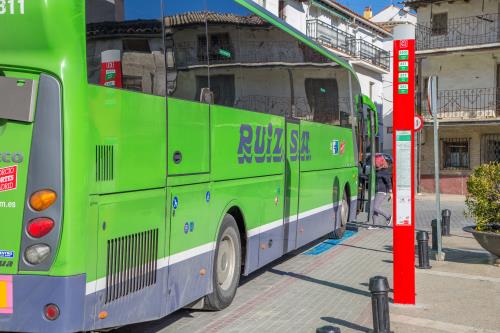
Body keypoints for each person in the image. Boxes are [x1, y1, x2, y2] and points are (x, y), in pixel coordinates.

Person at [368, 155, 392, 229]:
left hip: (381, 191)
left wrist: (391, 191)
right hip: (377, 191)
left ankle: (388, 216)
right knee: (374, 208)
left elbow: (388, 181)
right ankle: (375, 225)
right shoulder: (378, 170)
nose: (375, 163)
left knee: (375, 207)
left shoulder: (384, 171)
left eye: (376, 162)